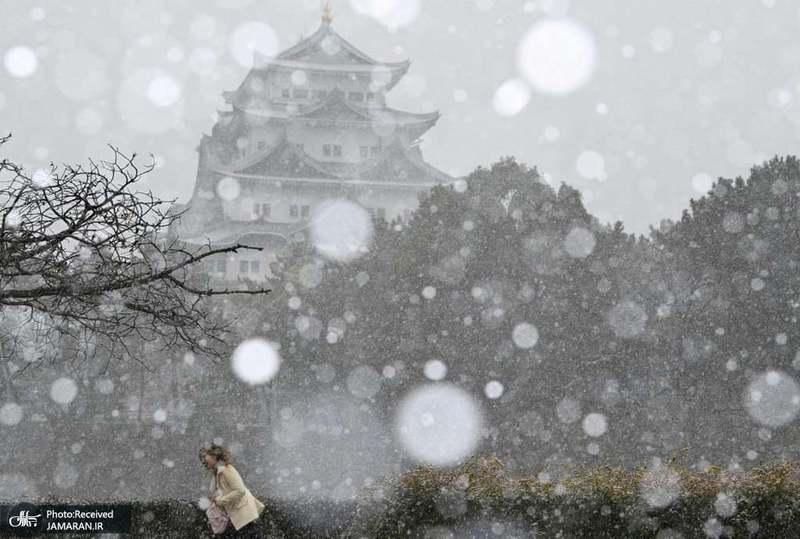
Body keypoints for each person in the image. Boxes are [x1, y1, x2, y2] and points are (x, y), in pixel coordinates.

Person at [200, 444, 267, 538]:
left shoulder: (227, 470)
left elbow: (240, 490)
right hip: (240, 521)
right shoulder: (218, 473)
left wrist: (221, 500)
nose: (202, 460)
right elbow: (212, 492)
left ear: (214, 456)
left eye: (204, 456)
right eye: (201, 458)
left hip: (246, 520)